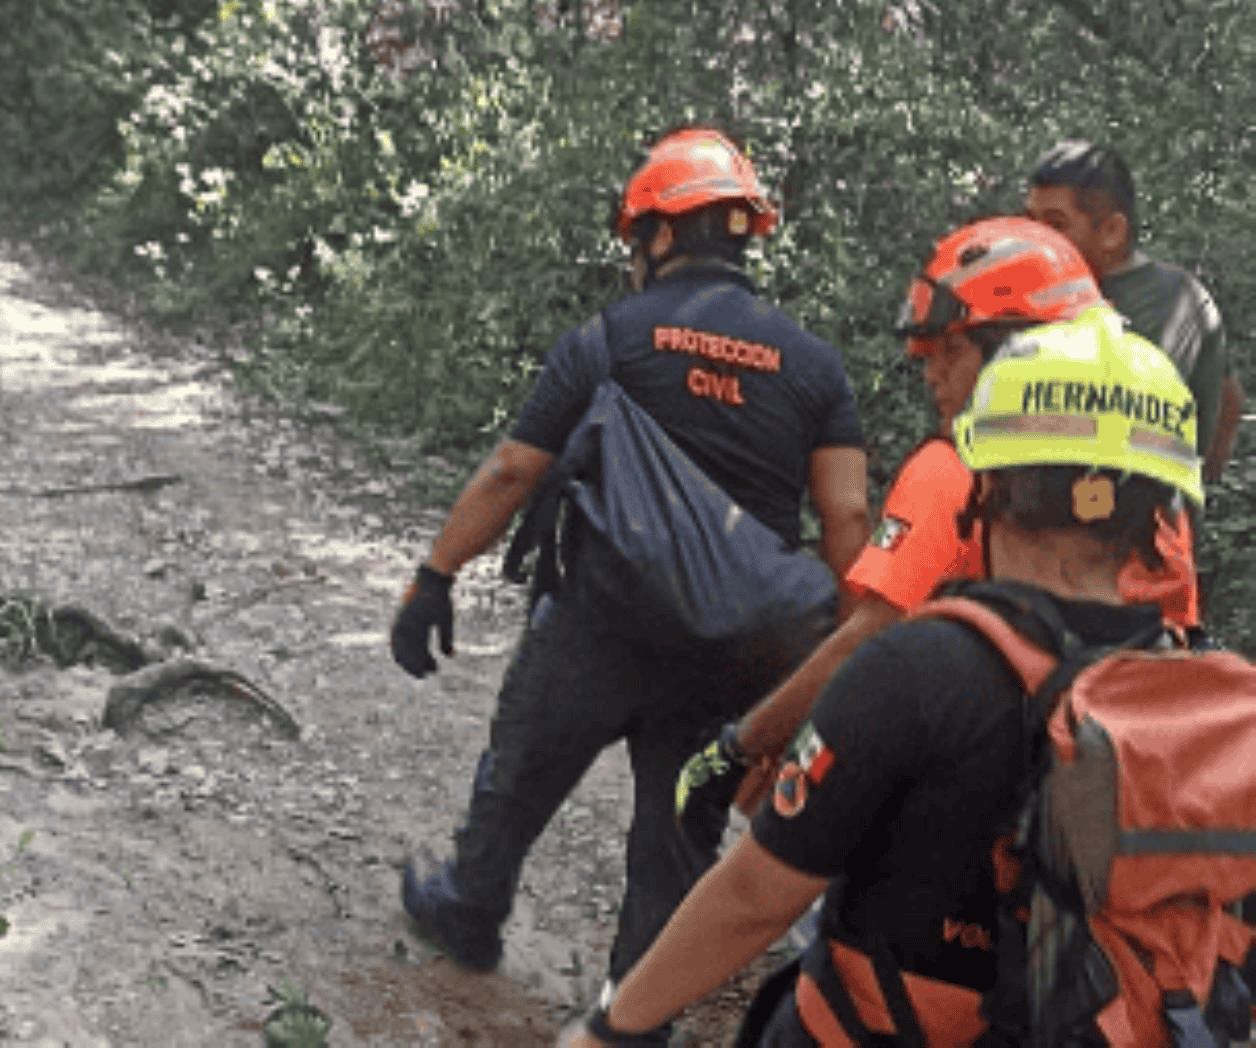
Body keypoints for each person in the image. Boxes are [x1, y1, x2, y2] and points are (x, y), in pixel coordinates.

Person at [559, 306, 1207, 1048]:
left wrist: (613, 1029)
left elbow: (754, 898)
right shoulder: (1201, 715)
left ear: (986, 487)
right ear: (1160, 511)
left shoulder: (921, 671)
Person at [389, 126, 869, 1032]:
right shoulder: (813, 367)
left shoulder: (611, 337)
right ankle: (635, 1008)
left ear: (658, 234)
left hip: (600, 623)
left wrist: (435, 576)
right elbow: (846, 520)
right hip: (737, 652)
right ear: (740, 233)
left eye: (635, 238)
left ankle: (471, 907)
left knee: (524, 762)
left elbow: (512, 471)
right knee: (679, 831)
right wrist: (848, 654)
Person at [675, 216, 1106, 818]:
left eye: (950, 349)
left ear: (1018, 351)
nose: (931, 371)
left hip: (961, 813)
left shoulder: (954, 470)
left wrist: (739, 747)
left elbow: (864, 644)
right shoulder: (1139, 488)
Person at [1024, 138, 1243, 483]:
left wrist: (1184, 495)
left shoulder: (1179, 301)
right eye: (1030, 221)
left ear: (1112, 230)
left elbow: (1228, 407)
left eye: (1056, 224)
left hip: (1135, 527)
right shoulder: (1030, 294)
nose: (1036, 238)